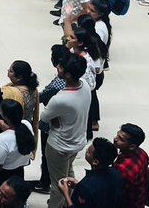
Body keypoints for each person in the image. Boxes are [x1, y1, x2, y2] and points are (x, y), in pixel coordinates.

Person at [43, 55, 91, 208]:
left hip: (60, 146)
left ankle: (57, 205)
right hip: (77, 141)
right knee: (68, 174)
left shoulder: (60, 99)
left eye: (61, 67)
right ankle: (70, 202)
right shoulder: (85, 86)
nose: (58, 67)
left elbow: (44, 117)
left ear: (68, 74)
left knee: (58, 184)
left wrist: (54, 118)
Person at [0, 100, 35, 196]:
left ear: (5, 116)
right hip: (19, 173)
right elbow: (13, 130)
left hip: (1, 178)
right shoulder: (26, 125)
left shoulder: (2, 140)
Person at [58, 137, 121, 206]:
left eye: (88, 152)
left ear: (95, 162)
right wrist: (78, 186)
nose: (86, 150)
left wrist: (65, 193)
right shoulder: (116, 174)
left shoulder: (86, 186)